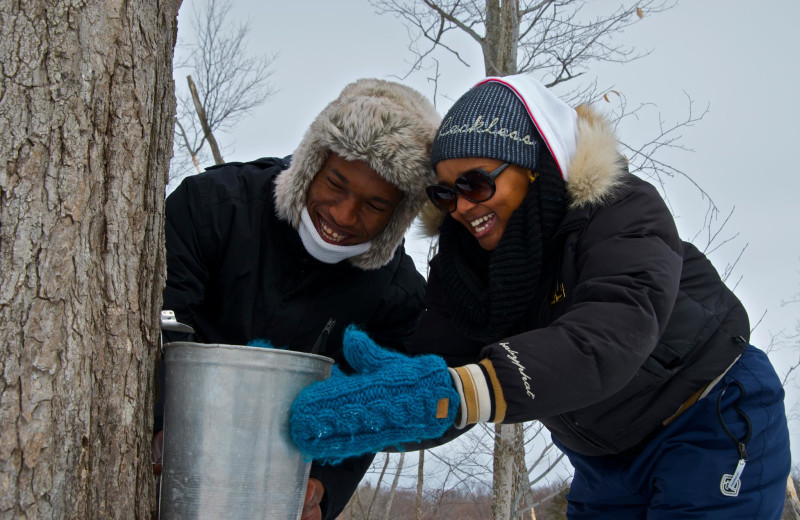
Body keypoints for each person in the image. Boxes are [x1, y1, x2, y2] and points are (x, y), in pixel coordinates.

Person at [289, 74, 791, 519]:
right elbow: (439, 379)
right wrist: (369, 410)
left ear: (532, 166)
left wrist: (458, 392)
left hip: (708, 417)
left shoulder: (620, 212)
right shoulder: (466, 267)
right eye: (444, 194)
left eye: (477, 183)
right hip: (601, 455)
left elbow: (609, 334)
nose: (462, 207)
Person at [154, 77, 441, 520]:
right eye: (335, 184)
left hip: (276, 488)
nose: (343, 215)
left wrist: (324, 490)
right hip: (164, 464)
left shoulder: (397, 296)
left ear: (400, 212)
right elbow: (160, 326)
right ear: (311, 163)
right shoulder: (214, 205)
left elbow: (369, 409)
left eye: (374, 205)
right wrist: (160, 427)